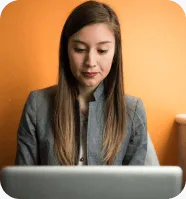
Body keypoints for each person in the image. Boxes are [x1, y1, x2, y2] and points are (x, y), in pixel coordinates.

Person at [15, 0, 148, 166]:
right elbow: (22, 184)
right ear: (66, 50)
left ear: (115, 53)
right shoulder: (37, 105)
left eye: (102, 51)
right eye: (80, 49)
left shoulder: (133, 110)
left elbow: (135, 187)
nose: (90, 62)